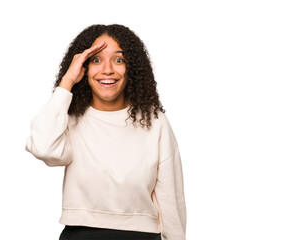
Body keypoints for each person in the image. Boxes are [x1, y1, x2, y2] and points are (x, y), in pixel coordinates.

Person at [25, 24, 186, 240]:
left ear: (132, 68)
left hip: (141, 236)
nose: (107, 69)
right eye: (96, 60)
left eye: (119, 60)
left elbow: (170, 199)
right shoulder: (69, 120)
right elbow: (44, 148)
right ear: (83, 66)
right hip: (81, 234)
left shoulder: (155, 122)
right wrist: (67, 82)